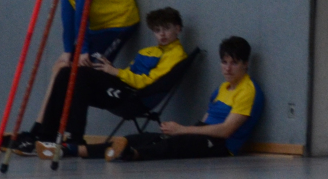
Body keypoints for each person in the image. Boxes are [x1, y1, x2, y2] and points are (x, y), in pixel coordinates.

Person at [14, 6, 188, 157]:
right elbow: (129, 74)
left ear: (178, 28)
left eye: (166, 28)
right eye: (157, 30)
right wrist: (110, 71)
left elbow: (148, 82)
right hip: (121, 85)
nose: (162, 34)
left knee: (81, 76)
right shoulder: (148, 51)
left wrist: (115, 72)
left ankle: (75, 139)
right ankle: (47, 135)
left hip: (132, 96)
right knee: (66, 72)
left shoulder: (176, 54)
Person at [109, 35, 259, 161]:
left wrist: (182, 129)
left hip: (221, 144)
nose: (227, 68)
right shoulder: (222, 87)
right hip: (206, 133)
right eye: (224, 62)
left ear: (245, 64)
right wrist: (182, 131)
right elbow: (205, 122)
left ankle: (132, 154)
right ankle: (100, 149)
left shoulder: (248, 90)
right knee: (154, 137)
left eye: (234, 63)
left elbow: (226, 130)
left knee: (178, 143)